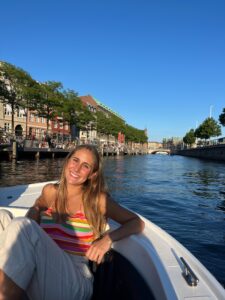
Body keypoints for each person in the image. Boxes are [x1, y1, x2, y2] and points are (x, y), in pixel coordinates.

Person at [0, 144, 145, 300]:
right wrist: (36, 208)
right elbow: (36, 210)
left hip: (75, 278)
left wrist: (107, 240)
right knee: (2, 216)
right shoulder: (50, 191)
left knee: (21, 226)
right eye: (75, 160)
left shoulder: (96, 200)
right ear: (68, 160)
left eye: (85, 166)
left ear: (92, 174)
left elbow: (136, 222)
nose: (76, 168)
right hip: (42, 266)